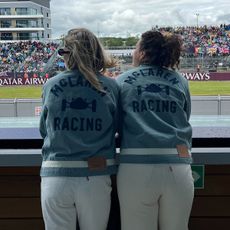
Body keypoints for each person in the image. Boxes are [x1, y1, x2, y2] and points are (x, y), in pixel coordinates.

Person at [39, 28, 119, 230]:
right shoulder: (110, 86)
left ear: (68, 54)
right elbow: (116, 127)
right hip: (95, 176)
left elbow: (44, 129)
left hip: (55, 175)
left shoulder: (51, 85)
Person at [116, 30, 194, 230]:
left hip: (135, 167)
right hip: (178, 166)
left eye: (135, 47)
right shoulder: (180, 81)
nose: (134, 51)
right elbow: (185, 116)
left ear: (142, 53)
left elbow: (116, 124)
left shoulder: (123, 80)